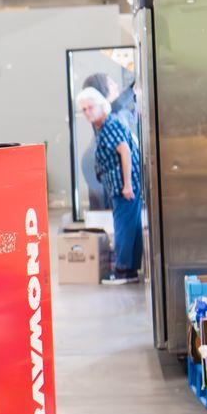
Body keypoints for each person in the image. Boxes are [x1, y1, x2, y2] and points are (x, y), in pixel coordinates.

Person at [78, 85, 142, 283]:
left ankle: (123, 270)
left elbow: (125, 152)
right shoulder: (101, 126)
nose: (88, 112)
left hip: (124, 186)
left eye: (91, 107)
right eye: (84, 109)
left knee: (123, 226)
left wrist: (127, 185)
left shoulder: (109, 125)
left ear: (100, 105)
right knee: (132, 225)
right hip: (121, 185)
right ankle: (130, 270)